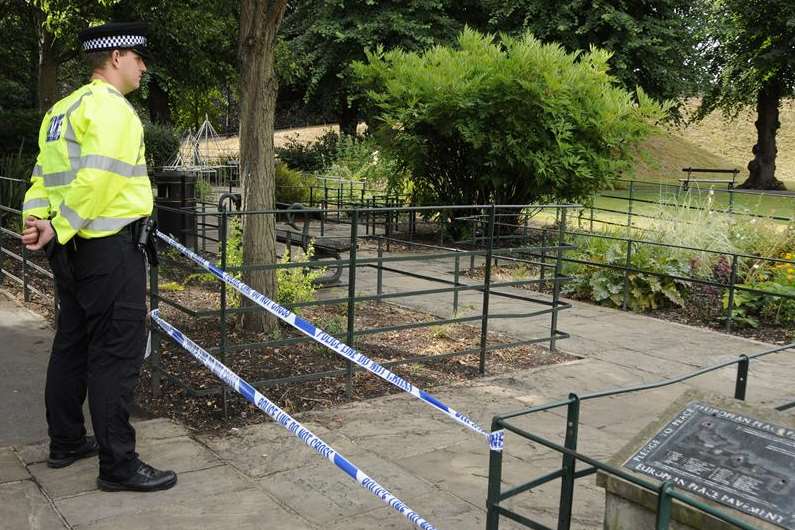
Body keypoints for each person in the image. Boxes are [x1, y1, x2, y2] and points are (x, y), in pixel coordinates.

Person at [21, 22, 176, 492]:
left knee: (72, 340)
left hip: (68, 251)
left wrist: (40, 226)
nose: (143, 66)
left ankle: (66, 441)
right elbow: (98, 179)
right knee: (116, 351)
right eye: (138, 58)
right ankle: (118, 465)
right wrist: (62, 225)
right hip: (108, 246)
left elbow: (40, 179)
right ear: (115, 59)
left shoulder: (61, 110)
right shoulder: (114, 111)